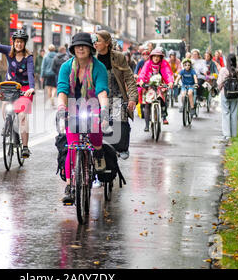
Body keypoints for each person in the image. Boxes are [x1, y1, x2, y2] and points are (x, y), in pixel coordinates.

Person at [56, 32, 109, 204]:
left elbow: (101, 90)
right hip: (72, 107)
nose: (80, 48)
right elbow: (62, 89)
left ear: (90, 49)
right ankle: (71, 186)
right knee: (72, 147)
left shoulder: (99, 67)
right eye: (77, 45)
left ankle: (98, 153)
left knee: (95, 137)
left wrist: (104, 109)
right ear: (72, 48)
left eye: (84, 45)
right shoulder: (66, 67)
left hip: (93, 105)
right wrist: (61, 107)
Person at [0, 18, 35, 158]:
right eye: (17, 41)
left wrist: (32, 88)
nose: (19, 44)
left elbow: (30, 73)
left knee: (23, 116)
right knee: (6, 107)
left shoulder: (28, 57)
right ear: (14, 42)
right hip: (10, 86)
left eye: (21, 42)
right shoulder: (8, 51)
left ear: (24, 43)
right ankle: (8, 124)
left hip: (25, 88)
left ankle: (24, 147)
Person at [93, 30, 138, 160]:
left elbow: (129, 78)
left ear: (107, 43)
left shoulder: (119, 57)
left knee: (120, 122)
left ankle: (122, 147)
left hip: (117, 97)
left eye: (98, 40)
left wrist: (132, 98)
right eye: (94, 40)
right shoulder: (91, 58)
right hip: (97, 99)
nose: (95, 43)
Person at [137, 47, 174, 130]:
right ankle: (147, 125)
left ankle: (164, 115)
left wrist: (170, 82)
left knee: (162, 98)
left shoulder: (163, 63)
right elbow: (143, 72)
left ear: (161, 57)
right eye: (154, 56)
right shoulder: (147, 63)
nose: (156, 58)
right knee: (147, 105)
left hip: (160, 85)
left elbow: (167, 73)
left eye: (158, 56)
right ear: (151, 57)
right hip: (148, 85)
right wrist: (142, 81)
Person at [217, 53, 238, 143]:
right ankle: (234, 133)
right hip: (235, 94)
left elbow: (219, 83)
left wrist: (218, 88)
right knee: (234, 113)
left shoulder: (223, 70)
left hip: (225, 94)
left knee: (226, 113)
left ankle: (227, 134)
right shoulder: (236, 71)